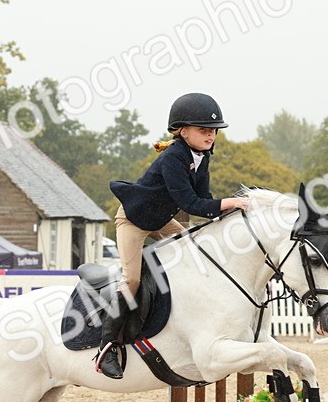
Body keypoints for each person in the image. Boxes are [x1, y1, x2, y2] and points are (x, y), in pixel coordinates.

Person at [95, 93, 247, 378]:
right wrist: (231, 203)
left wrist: (232, 214)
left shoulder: (201, 157)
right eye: (204, 130)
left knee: (194, 253)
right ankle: (106, 348)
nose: (211, 135)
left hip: (161, 221)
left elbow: (206, 200)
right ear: (183, 131)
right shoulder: (173, 158)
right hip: (134, 221)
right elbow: (191, 204)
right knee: (131, 279)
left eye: (213, 130)